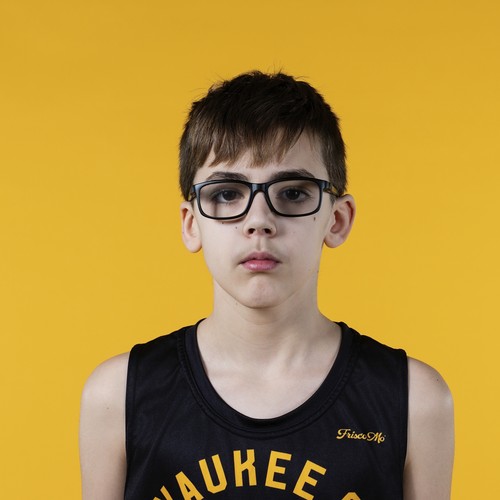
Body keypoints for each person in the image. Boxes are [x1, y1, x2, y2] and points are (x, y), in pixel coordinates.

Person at [79, 71, 454, 500]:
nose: (259, 220)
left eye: (292, 193)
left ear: (337, 219)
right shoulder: (118, 396)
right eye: (226, 194)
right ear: (191, 224)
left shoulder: (414, 400)